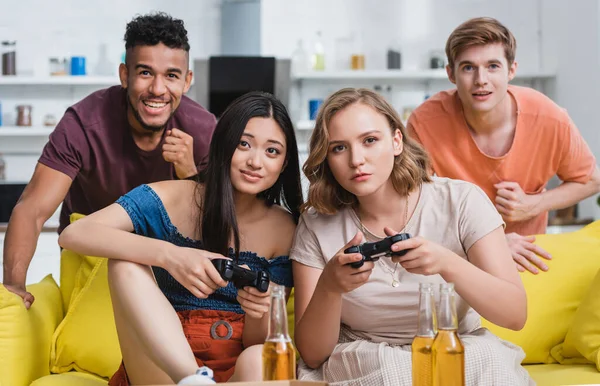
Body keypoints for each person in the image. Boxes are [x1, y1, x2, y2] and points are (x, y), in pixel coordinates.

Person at [291, 88, 533, 385]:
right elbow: (313, 355)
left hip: (455, 344)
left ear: (396, 141)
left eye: (370, 140)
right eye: (339, 147)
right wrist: (329, 287)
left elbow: (514, 315)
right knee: (394, 374)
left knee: (490, 363)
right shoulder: (316, 224)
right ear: (326, 157)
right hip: (368, 356)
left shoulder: (461, 201)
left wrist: (447, 263)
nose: (356, 160)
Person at [58, 91, 303, 385]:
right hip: (162, 363)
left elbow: (256, 340)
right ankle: (194, 379)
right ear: (223, 143)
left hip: (237, 369)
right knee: (124, 263)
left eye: (272, 151)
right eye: (244, 144)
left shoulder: (285, 228)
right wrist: (171, 256)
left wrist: (258, 309)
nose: (255, 161)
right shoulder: (168, 197)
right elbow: (74, 234)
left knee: (258, 356)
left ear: (285, 162)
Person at [3, 12, 217, 308]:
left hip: (168, 269)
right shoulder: (83, 123)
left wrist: (190, 175)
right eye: (145, 73)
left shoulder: (204, 129)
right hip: (90, 263)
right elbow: (33, 209)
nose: (157, 89)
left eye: (171, 75)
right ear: (124, 75)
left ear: (187, 80)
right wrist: (13, 287)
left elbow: (219, 224)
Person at [406, 17, 600, 274]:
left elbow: (591, 180)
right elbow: (411, 209)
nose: (481, 79)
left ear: (511, 70)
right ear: (451, 73)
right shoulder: (425, 123)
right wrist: (491, 245)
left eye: (493, 66)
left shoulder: (549, 118)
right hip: (454, 265)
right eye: (468, 68)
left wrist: (534, 204)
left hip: (526, 265)